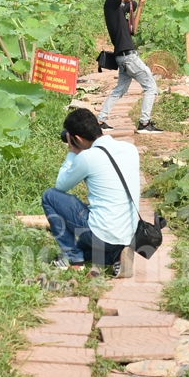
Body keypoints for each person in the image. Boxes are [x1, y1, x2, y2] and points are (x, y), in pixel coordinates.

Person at [42, 108, 138, 275]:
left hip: (103, 235)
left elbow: (60, 186)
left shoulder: (87, 157)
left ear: (78, 138)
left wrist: (72, 152)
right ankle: (116, 255)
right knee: (83, 245)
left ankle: (73, 259)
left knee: (50, 196)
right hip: (128, 233)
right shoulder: (130, 149)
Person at [97, 0, 161, 134]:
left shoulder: (118, 9)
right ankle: (144, 123)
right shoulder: (110, 3)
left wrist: (140, 5)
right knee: (151, 86)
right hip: (128, 56)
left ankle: (100, 121)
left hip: (123, 57)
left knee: (120, 90)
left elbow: (133, 29)